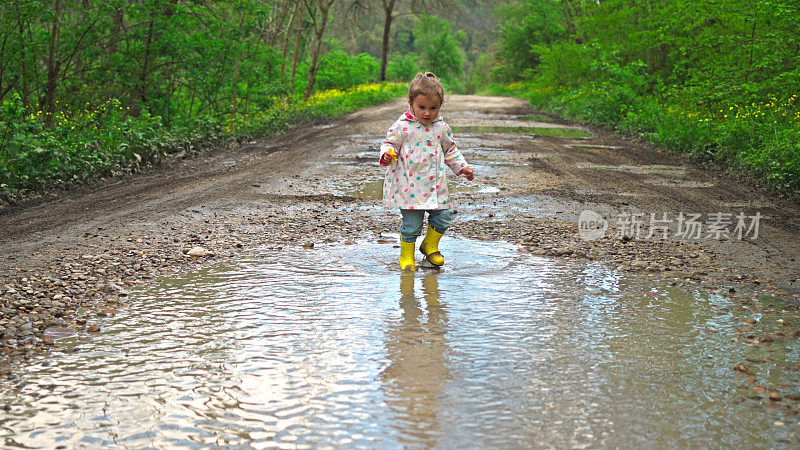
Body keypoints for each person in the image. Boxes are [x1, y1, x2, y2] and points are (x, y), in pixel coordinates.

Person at [379, 72, 474, 271]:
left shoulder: (441, 127)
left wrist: (462, 167)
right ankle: (406, 257)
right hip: (409, 185)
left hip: (435, 184)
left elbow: (450, 150)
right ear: (410, 103)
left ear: (440, 106)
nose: (427, 113)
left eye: (433, 108)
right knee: (412, 225)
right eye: (422, 107)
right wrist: (387, 154)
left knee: (444, 216)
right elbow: (389, 144)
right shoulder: (402, 127)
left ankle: (430, 245)